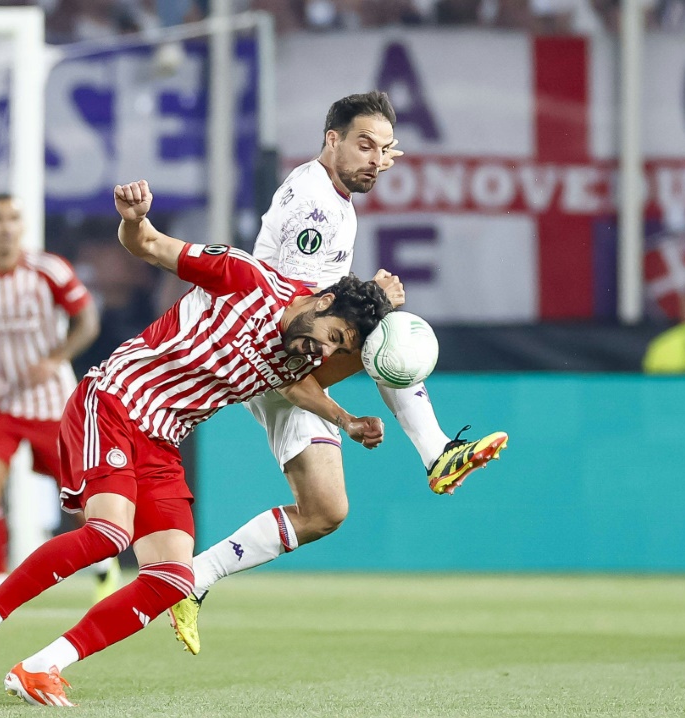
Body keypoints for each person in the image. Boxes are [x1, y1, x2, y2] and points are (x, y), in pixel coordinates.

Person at [0, 178, 393, 706]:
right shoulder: (244, 276)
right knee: (109, 533)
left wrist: (347, 419)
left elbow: (291, 381)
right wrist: (134, 218)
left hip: (163, 439)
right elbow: (150, 245)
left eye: (336, 347)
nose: (323, 348)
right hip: (116, 399)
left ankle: (42, 666)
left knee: (174, 577)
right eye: (331, 334)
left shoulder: (301, 353)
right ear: (323, 299)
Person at [168, 90, 508, 655]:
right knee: (387, 334)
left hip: (280, 359)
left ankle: (192, 578)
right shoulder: (319, 210)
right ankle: (438, 453)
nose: (375, 159)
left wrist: (369, 149)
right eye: (362, 145)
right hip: (273, 358)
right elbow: (298, 325)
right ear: (331, 139)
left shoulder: (331, 188)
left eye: (383, 149)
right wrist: (372, 300)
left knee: (327, 511)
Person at [0, 194, 120, 608]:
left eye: (13, 218)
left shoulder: (48, 270)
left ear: (21, 227)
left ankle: (105, 568)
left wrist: (55, 358)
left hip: (50, 400)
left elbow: (88, 320)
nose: (6, 226)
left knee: (76, 493)